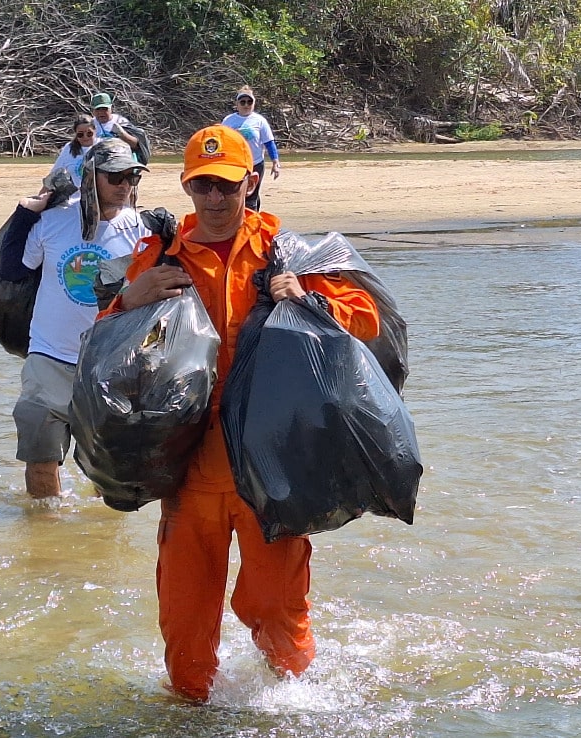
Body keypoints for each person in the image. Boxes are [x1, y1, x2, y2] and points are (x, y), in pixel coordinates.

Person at [100, 125, 379, 703]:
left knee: (277, 609)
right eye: (202, 185)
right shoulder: (157, 257)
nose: (214, 199)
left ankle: (296, 708)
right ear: (186, 187)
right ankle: (190, 714)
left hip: (271, 469)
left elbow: (366, 319)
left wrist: (308, 299)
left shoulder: (288, 251)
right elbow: (102, 350)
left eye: (226, 185)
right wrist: (130, 297)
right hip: (189, 469)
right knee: (184, 625)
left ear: (250, 182)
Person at [0, 138, 151, 498]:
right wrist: (25, 212)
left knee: (107, 473)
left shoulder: (141, 230)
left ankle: (98, 537)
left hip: (110, 365)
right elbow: (11, 270)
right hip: (48, 358)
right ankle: (45, 541)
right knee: (39, 460)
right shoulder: (53, 222)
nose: (124, 185)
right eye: (114, 177)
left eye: (131, 176)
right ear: (90, 177)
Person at [220, 85, 281, 211]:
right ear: (237, 104)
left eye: (249, 102)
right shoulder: (228, 121)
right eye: (242, 102)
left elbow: (269, 142)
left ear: (254, 103)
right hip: (236, 164)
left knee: (251, 196)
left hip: (256, 164)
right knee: (236, 194)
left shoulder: (259, 121)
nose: (246, 105)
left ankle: (252, 223)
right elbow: (221, 142)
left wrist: (275, 162)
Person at [48, 116, 96, 187]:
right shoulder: (69, 148)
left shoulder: (103, 146)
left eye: (89, 133)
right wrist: (41, 195)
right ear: (76, 134)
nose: (85, 137)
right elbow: (54, 174)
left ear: (95, 131)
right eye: (80, 134)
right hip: (75, 197)